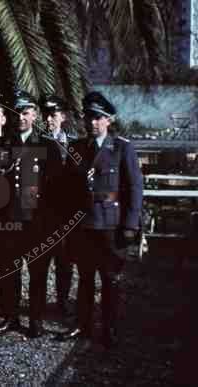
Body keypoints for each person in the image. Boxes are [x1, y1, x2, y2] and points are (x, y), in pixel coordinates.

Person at [59, 91, 142, 347]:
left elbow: (134, 188)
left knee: (109, 280)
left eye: (97, 118)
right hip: (84, 226)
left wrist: (130, 225)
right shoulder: (76, 148)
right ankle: (83, 326)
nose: (92, 123)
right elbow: (69, 191)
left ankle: (109, 329)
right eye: (88, 118)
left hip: (110, 225)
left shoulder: (121, 148)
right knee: (84, 280)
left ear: (108, 120)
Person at [0, 90, 62, 338]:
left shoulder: (47, 145)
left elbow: (55, 188)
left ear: (34, 115)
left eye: (25, 113)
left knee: (37, 274)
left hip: (37, 222)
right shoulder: (3, 144)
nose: (20, 117)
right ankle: (10, 317)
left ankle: (35, 319)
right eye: (16, 113)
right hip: (9, 221)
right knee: (9, 272)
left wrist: (52, 224)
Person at [39, 94, 76, 315]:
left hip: (66, 214)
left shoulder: (74, 144)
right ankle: (39, 303)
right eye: (46, 115)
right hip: (44, 213)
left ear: (63, 116)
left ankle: (62, 302)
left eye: (53, 115)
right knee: (41, 262)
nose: (49, 120)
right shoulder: (37, 143)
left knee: (65, 261)